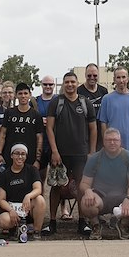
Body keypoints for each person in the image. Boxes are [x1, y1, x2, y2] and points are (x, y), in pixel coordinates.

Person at [45, 71, 98, 235]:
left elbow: (93, 129)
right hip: (60, 154)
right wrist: (54, 151)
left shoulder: (85, 102)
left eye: (72, 82)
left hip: (81, 154)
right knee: (56, 187)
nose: (70, 85)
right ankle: (52, 222)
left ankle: (82, 222)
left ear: (77, 83)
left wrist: (91, 152)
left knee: (82, 188)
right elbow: (49, 128)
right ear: (63, 84)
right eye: (67, 82)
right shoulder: (56, 102)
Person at [79, 127, 129, 239]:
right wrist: (87, 190)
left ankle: (123, 224)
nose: (112, 143)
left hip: (122, 197)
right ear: (103, 142)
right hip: (100, 197)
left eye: (115, 140)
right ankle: (96, 225)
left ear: (120, 141)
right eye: (109, 140)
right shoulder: (94, 158)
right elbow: (84, 183)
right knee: (85, 202)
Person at [0, 143, 47, 237]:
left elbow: (38, 189)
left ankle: (36, 231)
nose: (20, 157)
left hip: (27, 208)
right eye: (17, 153)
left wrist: (28, 196)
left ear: (26, 156)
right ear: (11, 155)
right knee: (3, 220)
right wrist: (11, 210)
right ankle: (16, 228)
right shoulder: (4, 175)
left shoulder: (32, 170)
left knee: (40, 199)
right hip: (11, 208)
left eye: (23, 154)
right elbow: (1, 199)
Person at [98, 68, 129, 160]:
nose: (121, 80)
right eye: (118, 77)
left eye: (123, 77)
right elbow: (103, 123)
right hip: (113, 149)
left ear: (128, 79)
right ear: (114, 79)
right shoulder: (107, 99)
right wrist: (106, 144)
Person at [0, 83, 43, 170]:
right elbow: (2, 134)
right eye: (20, 93)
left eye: (25, 93)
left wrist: (38, 160)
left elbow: (39, 138)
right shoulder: (9, 112)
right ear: (16, 95)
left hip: (30, 157)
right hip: (10, 155)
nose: (23, 96)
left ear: (30, 95)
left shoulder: (36, 115)